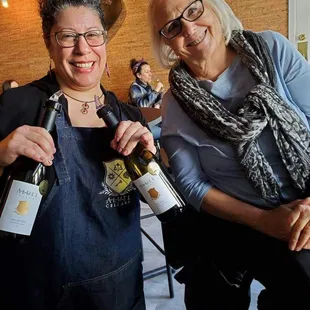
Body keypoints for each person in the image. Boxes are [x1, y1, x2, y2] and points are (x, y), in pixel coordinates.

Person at [148, 0, 310, 309]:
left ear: (213, 7)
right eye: (172, 27)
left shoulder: (272, 49)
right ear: (166, 42)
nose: (189, 29)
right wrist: (265, 221)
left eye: (193, 11)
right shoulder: (174, 104)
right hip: (241, 222)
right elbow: (191, 185)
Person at [0, 1, 157, 309]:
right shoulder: (16, 105)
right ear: (49, 42)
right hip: (39, 293)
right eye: (67, 36)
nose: (82, 49)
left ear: (105, 41)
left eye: (93, 35)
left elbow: (157, 199)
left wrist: (151, 157)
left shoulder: (128, 115)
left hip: (121, 290)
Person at [129, 58, 164, 140]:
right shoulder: (134, 88)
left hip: (154, 118)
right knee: (165, 132)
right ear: (139, 75)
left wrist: (158, 102)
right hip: (143, 123)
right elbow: (143, 105)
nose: (150, 74)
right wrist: (156, 90)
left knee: (172, 124)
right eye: (146, 72)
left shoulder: (148, 85)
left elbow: (160, 98)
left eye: (150, 71)